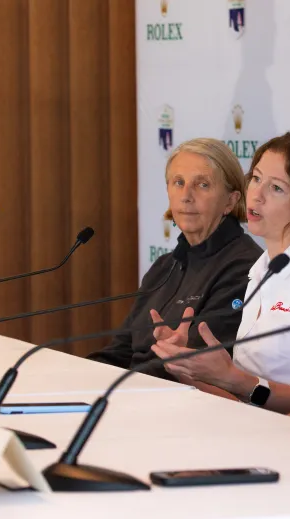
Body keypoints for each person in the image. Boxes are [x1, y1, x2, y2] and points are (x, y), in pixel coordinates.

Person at [151, 129, 290, 414]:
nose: (256, 195)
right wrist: (187, 366)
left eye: (276, 188)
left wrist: (235, 379)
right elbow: (243, 400)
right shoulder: (261, 268)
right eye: (255, 179)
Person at [87, 138, 262, 379]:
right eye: (178, 182)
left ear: (230, 201)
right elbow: (120, 351)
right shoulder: (164, 266)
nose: (186, 196)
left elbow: (196, 368)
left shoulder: (244, 267)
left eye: (202, 185)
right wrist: (73, 374)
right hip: (134, 393)